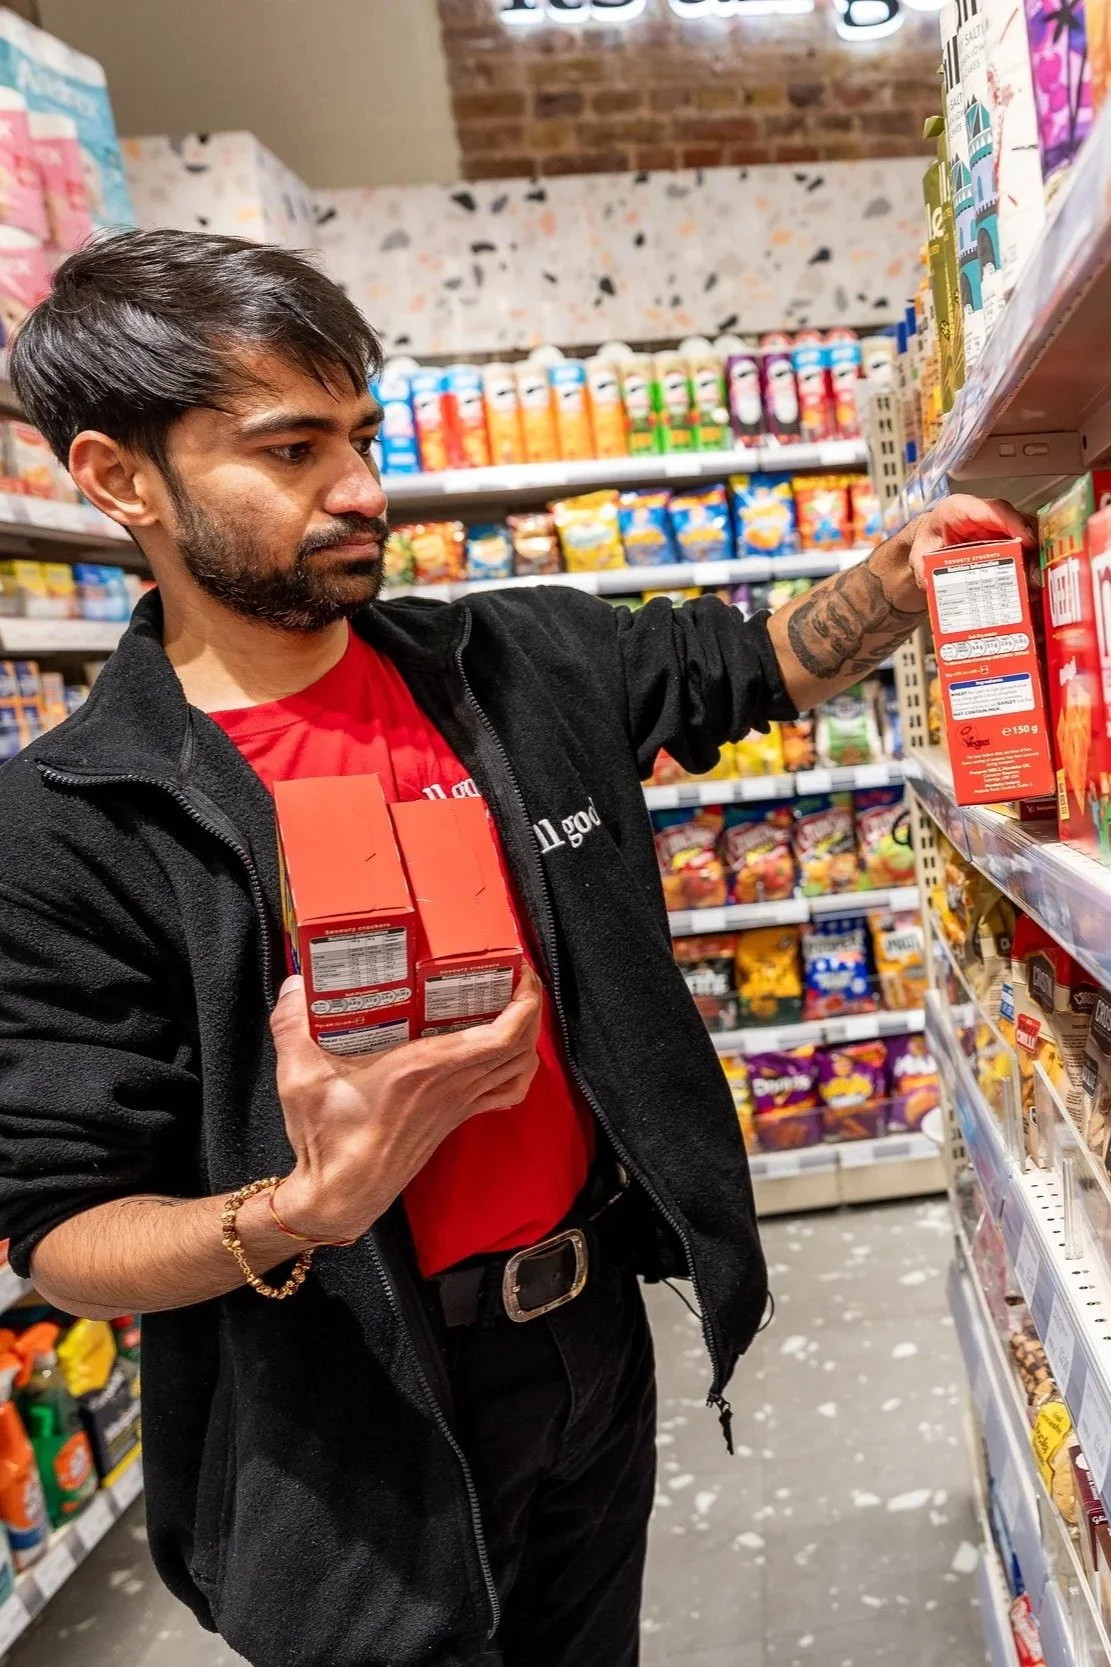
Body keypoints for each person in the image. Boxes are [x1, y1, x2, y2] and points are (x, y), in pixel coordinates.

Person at [0, 230, 1032, 1667]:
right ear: (118, 478)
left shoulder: (516, 664)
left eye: (360, 433)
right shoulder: (68, 821)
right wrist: (299, 1208)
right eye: (291, 449)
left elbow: (767, 656)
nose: (363, 487)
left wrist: (923, 554)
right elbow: (59, 1235)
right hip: (344, 1424)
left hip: (586, 1340)